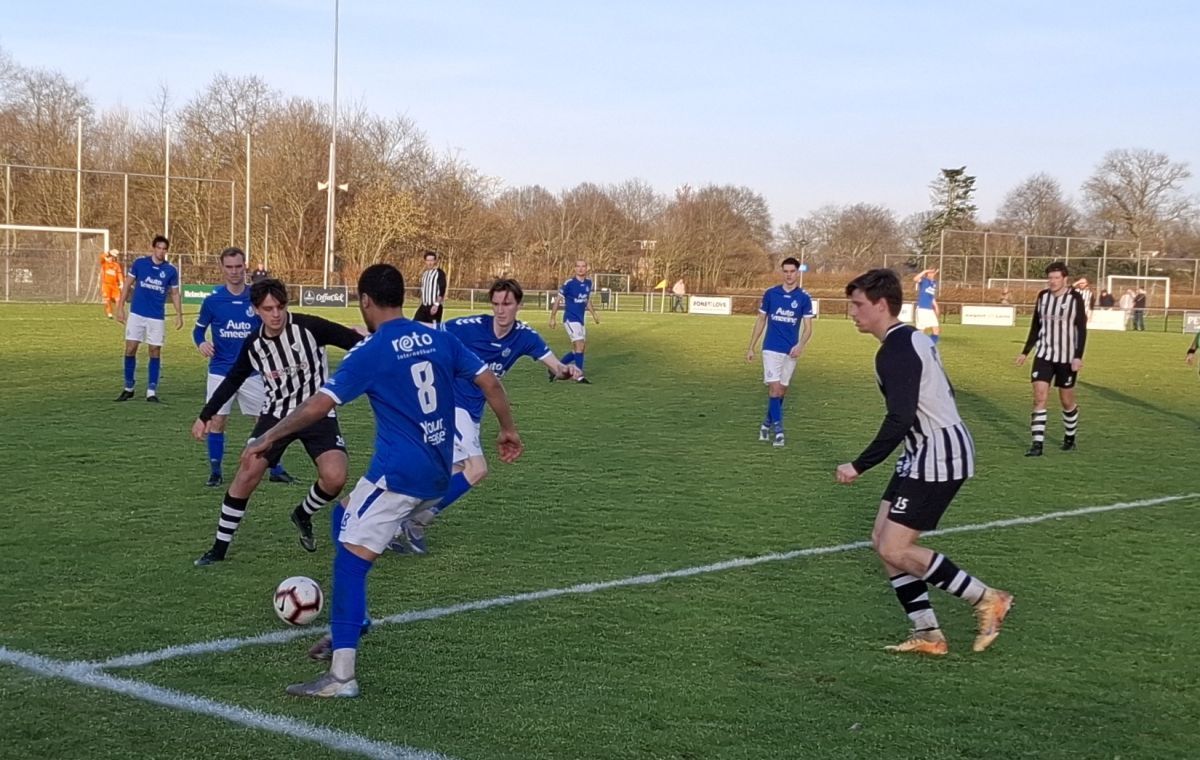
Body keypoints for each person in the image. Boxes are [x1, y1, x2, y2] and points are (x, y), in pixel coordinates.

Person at [241, 263, 521, 698]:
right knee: (343, 516)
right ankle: (356, 620)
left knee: (350, 564)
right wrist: (508, 430)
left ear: (365, 301)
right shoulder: (438, 337)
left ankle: (341, 677)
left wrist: (268, 437)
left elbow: (317, 405)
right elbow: (490, 383)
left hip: (399, 476)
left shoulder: (371, 351)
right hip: (437, 471)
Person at [836, 268, 1012, 656]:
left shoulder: (895, 350)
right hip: (923, 450)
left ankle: (988, 598)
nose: (852, 312)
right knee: (881, 540)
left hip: (938, 453)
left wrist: (859, 465)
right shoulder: (911, 338)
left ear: (881, 305)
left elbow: (899, 417)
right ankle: (928, 633)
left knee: (895, 548)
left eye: (858, 304)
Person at [390, 278, 580, 554]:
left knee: (450, 475)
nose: (501, 310)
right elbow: (426, 330)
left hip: (471, 412)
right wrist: (382, 331)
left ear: (518, 305)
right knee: (477, 469)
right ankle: (415, 522)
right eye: (496, 304)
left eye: (507, 304)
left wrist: (567, 371)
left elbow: (555, 366)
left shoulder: (525, 336)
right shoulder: (470, 327)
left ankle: (392, 522)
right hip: (449, 404)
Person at [190, 278, 365, 566]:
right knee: (248, 471)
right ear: (256, 310)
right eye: (268, 309)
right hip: (276, 416)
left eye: (280, 307)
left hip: (317, 413)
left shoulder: (310, 327)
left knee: (335, 477)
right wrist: (205, 415)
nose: (276, 314)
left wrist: (367, 340)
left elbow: (355, 343)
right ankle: (219, 549)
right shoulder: (254, 344)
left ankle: (303, 514)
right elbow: (233, 379)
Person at [192, 247, 295, 488]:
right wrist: (201, 343)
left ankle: (275, 468)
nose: (234, 271)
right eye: (229, 267)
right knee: (217, 420)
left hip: (253, 371)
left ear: (245, 266)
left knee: (267, 419)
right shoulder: (213, 301)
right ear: (222, 268)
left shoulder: (257, 298)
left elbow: (275, 326)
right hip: (220, 371)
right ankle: (215, 472)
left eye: (238, 266)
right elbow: (198, 330)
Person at [1014, 262, 1088, 456]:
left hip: (1066, 358)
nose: (1053, 281)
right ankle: (1037, 445)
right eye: (1050, 278)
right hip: (1044, 355)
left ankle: (1070, 438)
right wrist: (1025, 352)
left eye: (1056, 278)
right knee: (1039, 397)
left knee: (1066, 401)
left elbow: (1081, 329)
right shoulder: (1043, 297)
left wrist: (1078, 356)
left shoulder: (1075, 298)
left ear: (1065, 279)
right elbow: (1035, 326)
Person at [744, 256, 814, 447]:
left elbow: (808, 328)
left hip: (790, 351)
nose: (789, 275)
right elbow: (761, 320)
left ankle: (766, 424)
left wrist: (800, 345)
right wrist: (751, 347)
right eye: (786, 271)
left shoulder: (804, 298)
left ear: (797, 273)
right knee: (774, 389)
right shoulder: (771, 294)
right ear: (782, 272)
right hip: (771, 348)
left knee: (781, 391)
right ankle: (779, 432)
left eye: (792, 271)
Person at [113, 235, 182, 402]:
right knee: (130, 348)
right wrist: (120, 307)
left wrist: (179, 314)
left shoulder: (170, 270)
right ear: (153, 248)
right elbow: (127, 285)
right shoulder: (140, 264)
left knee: (155, 350)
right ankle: (129, 387)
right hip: (137, 313)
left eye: (164, 249)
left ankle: (151, 390)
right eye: (159, 248)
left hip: (156, 316)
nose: (161, 251)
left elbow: (174, 293)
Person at [548, 259, 600, 382]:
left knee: (579, 349)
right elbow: (558, 300)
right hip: (570, 319)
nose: (581, 269)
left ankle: (555, 368)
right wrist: (552, 317)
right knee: (579, 345)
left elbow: (586, 300)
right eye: (578, 266)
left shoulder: (588, 283)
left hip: (580, 320)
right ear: (575, 268)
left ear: (587, 268)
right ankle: (579, 376)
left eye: (583, 266)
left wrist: (594, 314)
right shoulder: (569, 284)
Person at [414, 250, 447, 326]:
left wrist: (436, 304)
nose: (430, 263)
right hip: (424, 306)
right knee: (415, 325)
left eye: (431, 260)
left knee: (433, 329)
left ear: (435, 261)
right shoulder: (425, 274)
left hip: (434, 306)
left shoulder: (439, 273)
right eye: (428, 260)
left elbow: (442, 289)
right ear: (425, 261)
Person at [912, 268, 941, 344]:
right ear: (927, 274)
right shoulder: (924, 280)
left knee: (936, 329)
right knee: (921, 330)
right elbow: (915, 279)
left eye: (932, 273)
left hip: (930, 310)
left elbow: (931, 296)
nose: (931, 274)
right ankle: (917, 345)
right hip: (922, 309)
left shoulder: (934, 283)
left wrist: (936, 306)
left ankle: (931, 345)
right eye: (929, 273)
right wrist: (925, 271)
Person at [100, 249, 124, 319]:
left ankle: (119, 313)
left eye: (112, 257)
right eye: (109, 257)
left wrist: (121, 282)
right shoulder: (104, 263)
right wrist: (109, 252)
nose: (110, 258)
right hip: (106, 285)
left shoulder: (116, 265)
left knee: (118, 300)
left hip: (115, 285)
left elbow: (119, 274)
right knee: (107, 300)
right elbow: (102, 257)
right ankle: (109, 313)